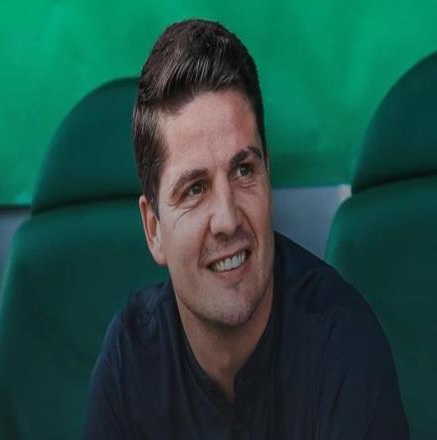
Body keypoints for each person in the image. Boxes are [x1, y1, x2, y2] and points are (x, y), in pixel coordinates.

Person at [84, 19, 409, 439]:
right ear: (154, 229)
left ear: (267, 177)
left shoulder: (343, 344)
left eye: (243, 170)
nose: (228, 218)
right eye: (195, 189)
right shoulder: (130, 358)